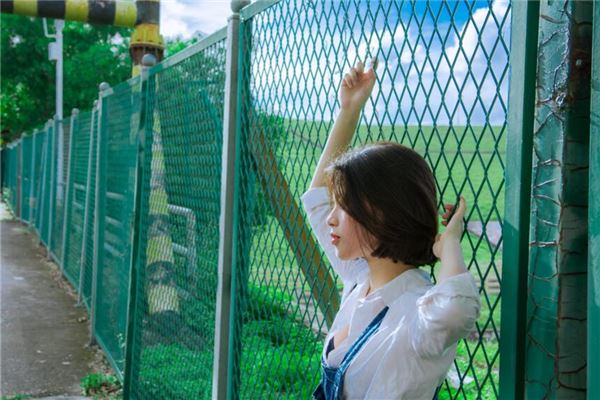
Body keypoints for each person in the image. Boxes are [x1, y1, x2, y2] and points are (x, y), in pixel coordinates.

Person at [302, 59, 481, 399]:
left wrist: (449, 245)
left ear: (383, 213)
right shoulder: (361, 278)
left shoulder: (415, 311)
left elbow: (456, 310)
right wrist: (349, 110)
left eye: (344, 206)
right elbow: (317, 201)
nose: (330, 218)